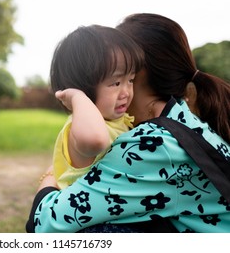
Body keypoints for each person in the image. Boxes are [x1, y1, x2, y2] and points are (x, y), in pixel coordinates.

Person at [26, 13, 230, 233]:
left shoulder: (153, 145)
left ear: (136, 72)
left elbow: (45, 223)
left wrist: (51, 175)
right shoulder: (181, 120)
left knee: (92, 233)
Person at [49, 25, 143, 190]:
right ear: (83, 88)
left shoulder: (120, 121)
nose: (126, 92)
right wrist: (78, 97)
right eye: (116, 83)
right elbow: (96, 141)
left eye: (131, 80)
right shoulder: (79, 130)